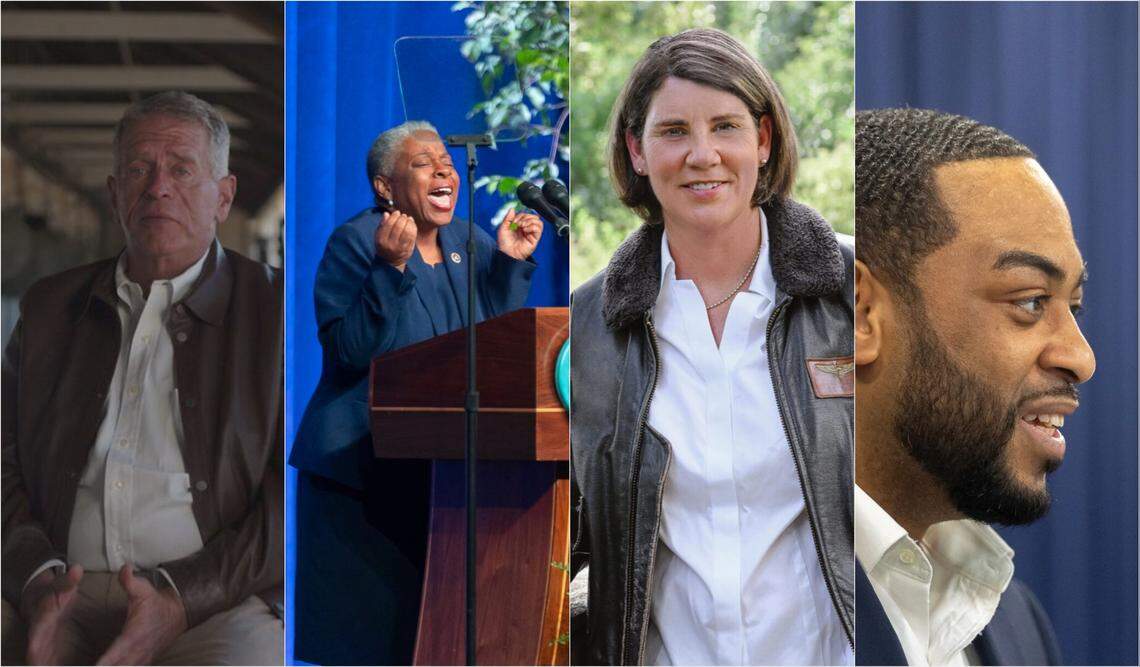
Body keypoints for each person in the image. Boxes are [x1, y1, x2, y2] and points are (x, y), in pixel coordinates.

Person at [570, 28, 854, 666]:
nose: (703, 155)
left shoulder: (856, 292)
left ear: (763, 139)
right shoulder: (588, 329)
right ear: (637, 151)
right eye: (673, 132)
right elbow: (569, 543)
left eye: (725, 126)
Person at [1, 91, 283, 665]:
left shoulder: (277, 312)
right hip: (55, 589)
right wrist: (34, 579)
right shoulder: (51, 308)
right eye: (138, 170)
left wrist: (183, 598)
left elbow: (300, 489)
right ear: (114, 195)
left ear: (223, 196)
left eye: (182, 169)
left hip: (217, 600)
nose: (158, 187)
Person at [289, 120, 542, 664]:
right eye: (424, 164)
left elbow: (488, 350)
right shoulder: (356, 242)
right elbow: (351, 352)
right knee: (374, 643)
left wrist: (509, 264)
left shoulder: (469, 242)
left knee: (438, 641)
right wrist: (389, 268)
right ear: (385, 187)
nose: (444, 171)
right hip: (363, 476)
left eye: (446, 162)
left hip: (443, 476)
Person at [853, 108, 1095, 665]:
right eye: (1030, 301)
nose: (1081, 358)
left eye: (1074, 307)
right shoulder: (736, 604)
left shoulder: (1017, 623)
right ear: (860, 314)